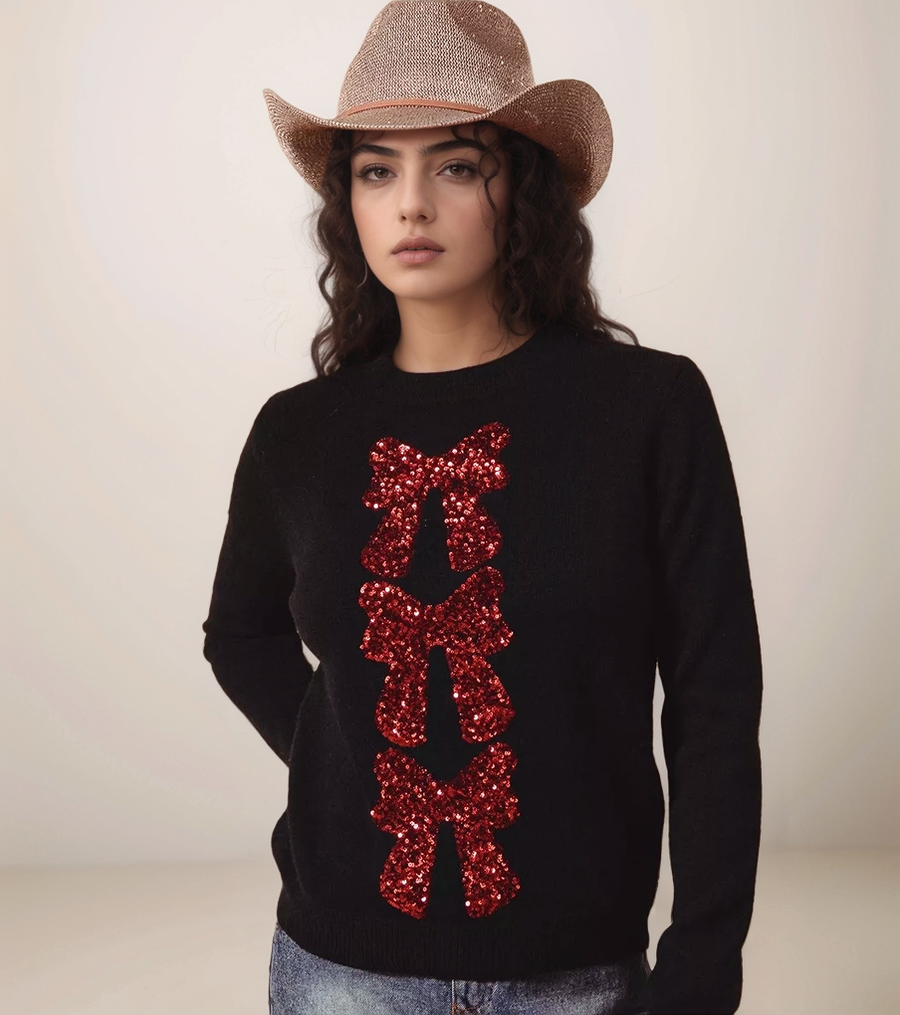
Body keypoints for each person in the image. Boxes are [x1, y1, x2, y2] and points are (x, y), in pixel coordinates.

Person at [201, 2, 763, 1013]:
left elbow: (715, 697)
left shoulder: (649, 407)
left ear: (523, 188)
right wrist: (349, 758)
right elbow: (237, 632)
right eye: (378, 169)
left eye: (455, 164)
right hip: (338, 976)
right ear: (350, 203)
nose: (411, 202)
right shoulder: (297, 432)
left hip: (578, 973)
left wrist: (703, 963)